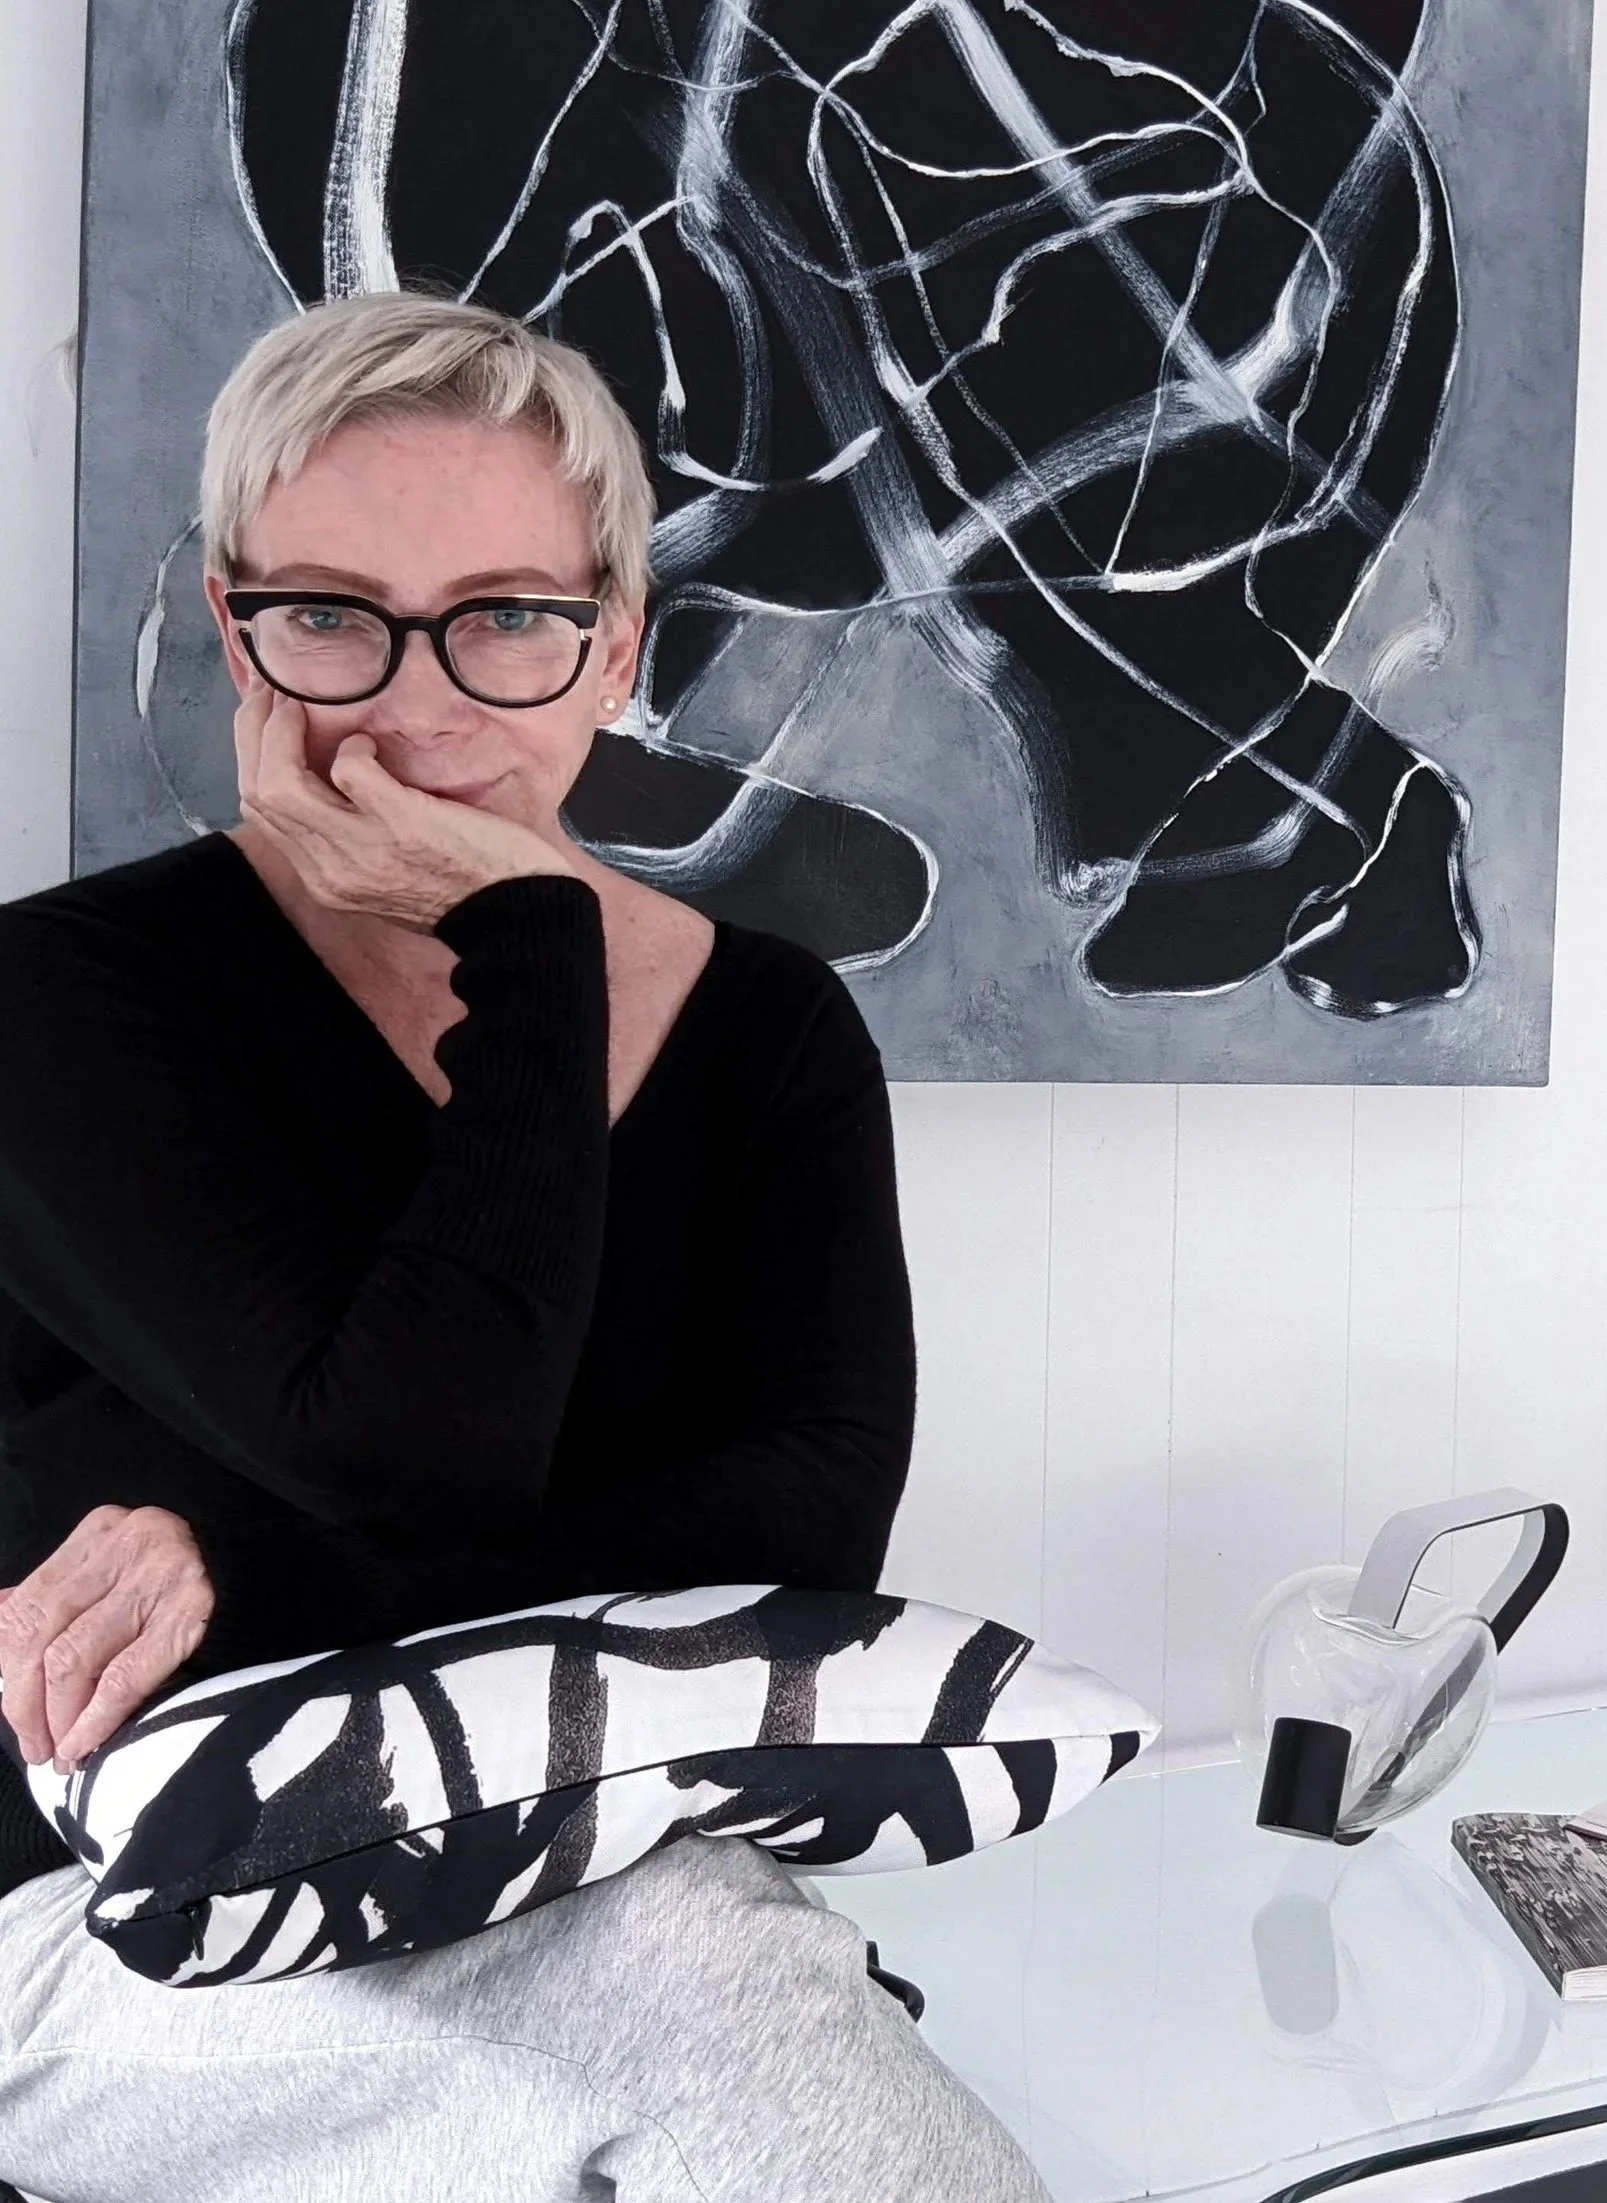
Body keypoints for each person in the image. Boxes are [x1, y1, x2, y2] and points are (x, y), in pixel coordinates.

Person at [0, 294, 1050, 2203]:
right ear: (239, 633)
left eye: (505, 618)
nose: (415, 705)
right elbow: (412, 1440)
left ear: (615, 647)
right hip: (82, 1910)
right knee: (708, 1994)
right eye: (330, 613)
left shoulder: (771, 1031)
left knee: (698, 1961)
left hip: (591, 1853)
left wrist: (230, 1553)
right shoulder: (62, 1001)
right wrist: (542, 958)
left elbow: (811, 1527)